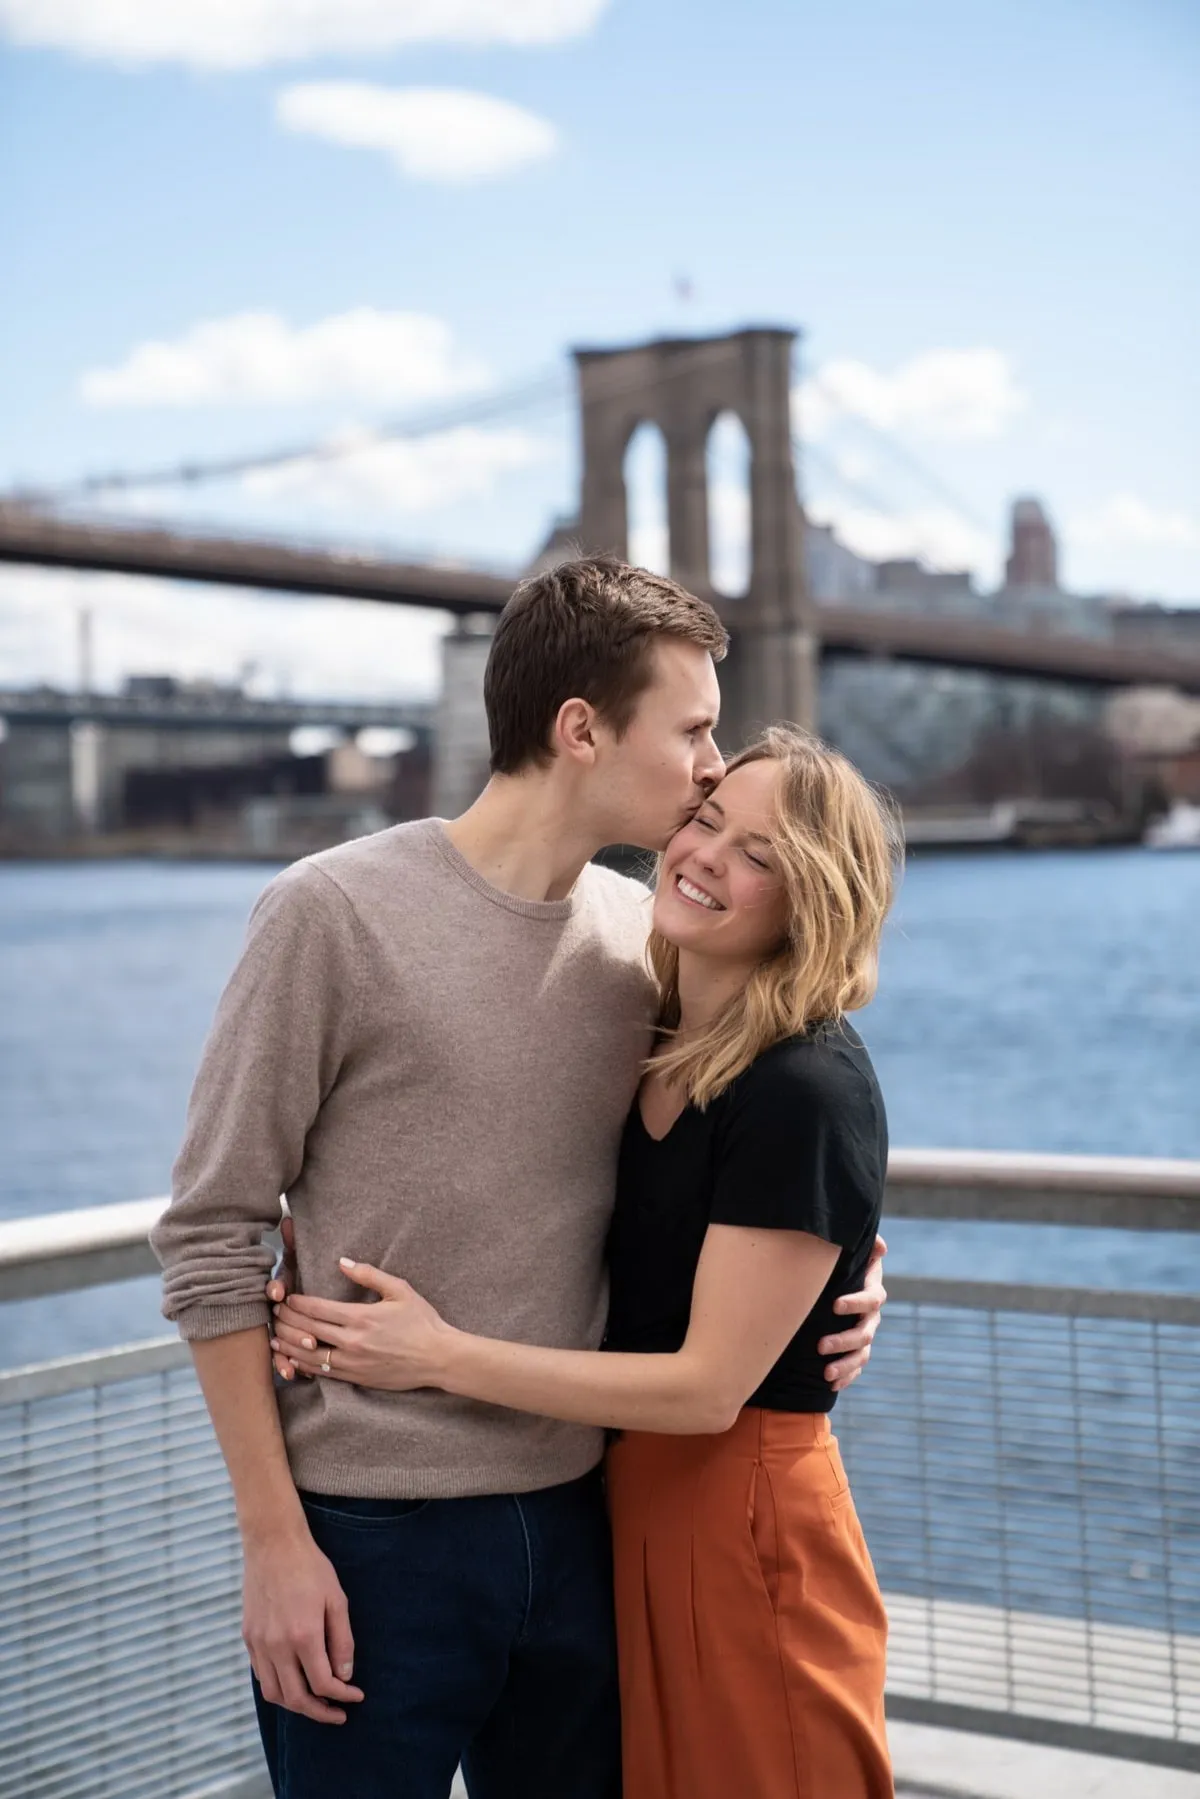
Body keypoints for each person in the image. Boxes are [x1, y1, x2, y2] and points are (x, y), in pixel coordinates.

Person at [150, 558, 887, 1799]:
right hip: (372, 1536)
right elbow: (213, 1234)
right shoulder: (328, 913)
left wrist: (851, 1279)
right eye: (696, 728)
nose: (714, 768)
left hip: (586, 1516)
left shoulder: (638, 939)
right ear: (582, 728)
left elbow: (764, 1139)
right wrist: (274, 1542)